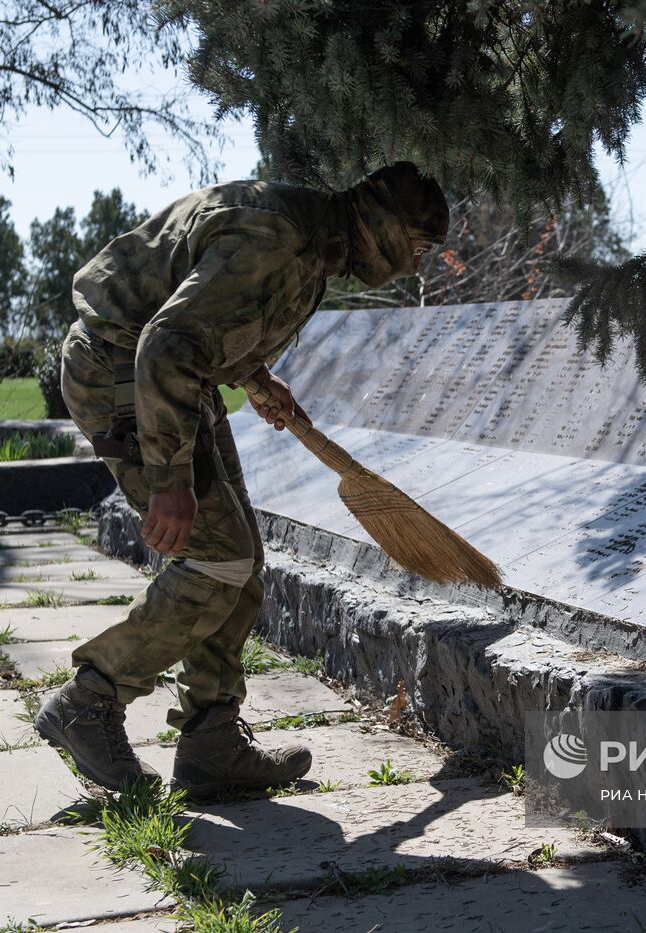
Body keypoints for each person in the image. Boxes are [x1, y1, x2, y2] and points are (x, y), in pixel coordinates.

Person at [35, 162, 449, 795]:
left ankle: (212, 740)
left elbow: (209, 323)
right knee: (215, 559)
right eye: (417, 248)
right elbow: (165, 344)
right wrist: (170, 478)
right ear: (386, 228)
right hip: (129, 375)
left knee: (241, 560)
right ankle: (88, 701)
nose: (415, 266)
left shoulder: (311, 241)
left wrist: (254, 374)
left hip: (172, 381)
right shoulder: (279, 242)